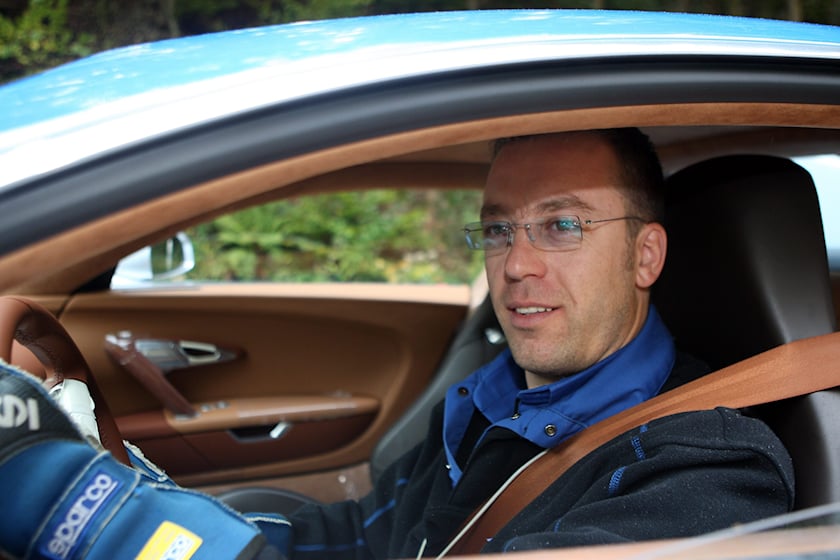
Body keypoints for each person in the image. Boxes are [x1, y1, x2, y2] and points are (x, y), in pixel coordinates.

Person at [0, 129, 793, 560]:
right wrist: (149, 493)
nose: (516, 265)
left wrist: (89, 513)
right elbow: (368, 536)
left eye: (561, 224)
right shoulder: (492, 398)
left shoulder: (711, 469)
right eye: (498, 230)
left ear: (645, 256)